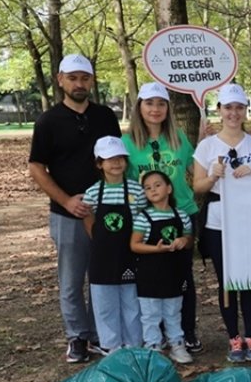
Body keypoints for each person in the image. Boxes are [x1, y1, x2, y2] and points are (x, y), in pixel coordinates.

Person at [27, 53, 122, 363]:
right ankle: (77, 336)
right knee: (71, 279)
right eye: (72, 78)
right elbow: (37, 167)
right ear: (60, 80)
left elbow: (117, 159)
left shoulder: (106, 116)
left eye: (84, 78)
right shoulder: (48, 121)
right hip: (67, 212)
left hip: (105, 209)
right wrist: (66, 199)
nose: (79, 84)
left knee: (103, 274)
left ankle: (99, 334)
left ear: (91, 81)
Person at [121, 82, 203, 356]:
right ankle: (154, 337)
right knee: (151, 276)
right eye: (149, 104)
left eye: (161, 104)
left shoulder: (179, 137)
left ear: (167, 108)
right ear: (139, 107)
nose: (155, 109)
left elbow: (197, 169)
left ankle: (184, 333)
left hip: (181, 213)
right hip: (146, 219)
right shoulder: (127, 143)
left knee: (182, 277)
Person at [191, 83, 251, 363]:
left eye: (239, 107)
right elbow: (198, 187)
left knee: (248, 279)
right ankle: (234, 338)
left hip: (248, 220)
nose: (234, 113)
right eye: (228, 108)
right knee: (226, 280)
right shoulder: (207, 146)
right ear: (219, 110)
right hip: (218, 221)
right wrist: (212, 175)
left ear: (245, 111)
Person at [82, 136, 146, 353]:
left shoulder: (136, 191)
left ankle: (134, 344)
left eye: (120, 158)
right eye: (110, 159)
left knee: (132, 302)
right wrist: (97, 237)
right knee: (104, 303)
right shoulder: (92, 192)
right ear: (100, 164)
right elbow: (88, 216)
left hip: (130, 254)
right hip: (102, 257)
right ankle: (111, 346)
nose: (116, 163)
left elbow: (142, 219)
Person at [130, 170, 193, 364]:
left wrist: (183, 240)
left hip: (173, 273)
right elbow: (134, 244)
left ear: (169, 188)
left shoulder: (180, 215)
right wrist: (155, 249)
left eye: (157, 185)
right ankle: (153, 346)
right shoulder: (143, 217)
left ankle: (177, 344)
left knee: (173, 311)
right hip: (149, 275)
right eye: (148, 188)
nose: (153, 190)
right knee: (150, 314)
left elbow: (190, 239)